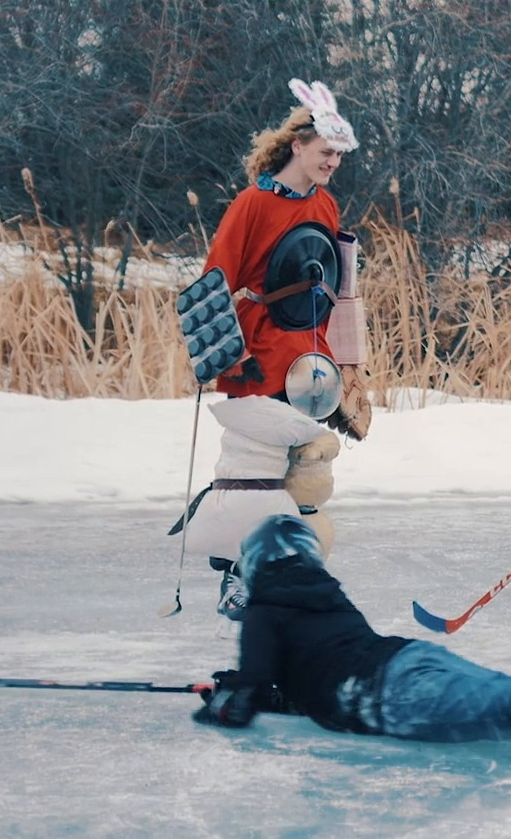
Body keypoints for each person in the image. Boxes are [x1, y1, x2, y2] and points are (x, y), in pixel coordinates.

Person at [192, 516, 511, 757]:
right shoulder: (325, 595)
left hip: (391, 695)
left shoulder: (264, 611)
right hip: (410, 660)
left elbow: (246, 699)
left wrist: (226, 698)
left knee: (506, 707)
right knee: (506, 693)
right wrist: (269, 690)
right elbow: (310, 669)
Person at [175, 79, 372, 618]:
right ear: (299, 146)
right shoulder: (253, 204)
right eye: (326, 152)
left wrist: (346, 366)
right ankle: (238, 575)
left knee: (306, 480)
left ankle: (289, 579)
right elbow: (215, 278)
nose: (333, 161)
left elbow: (333, 287)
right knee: (254, 476)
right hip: (257, 351)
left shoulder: (326, 206)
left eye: (339, 154)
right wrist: (222, 355)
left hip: (309, 357)